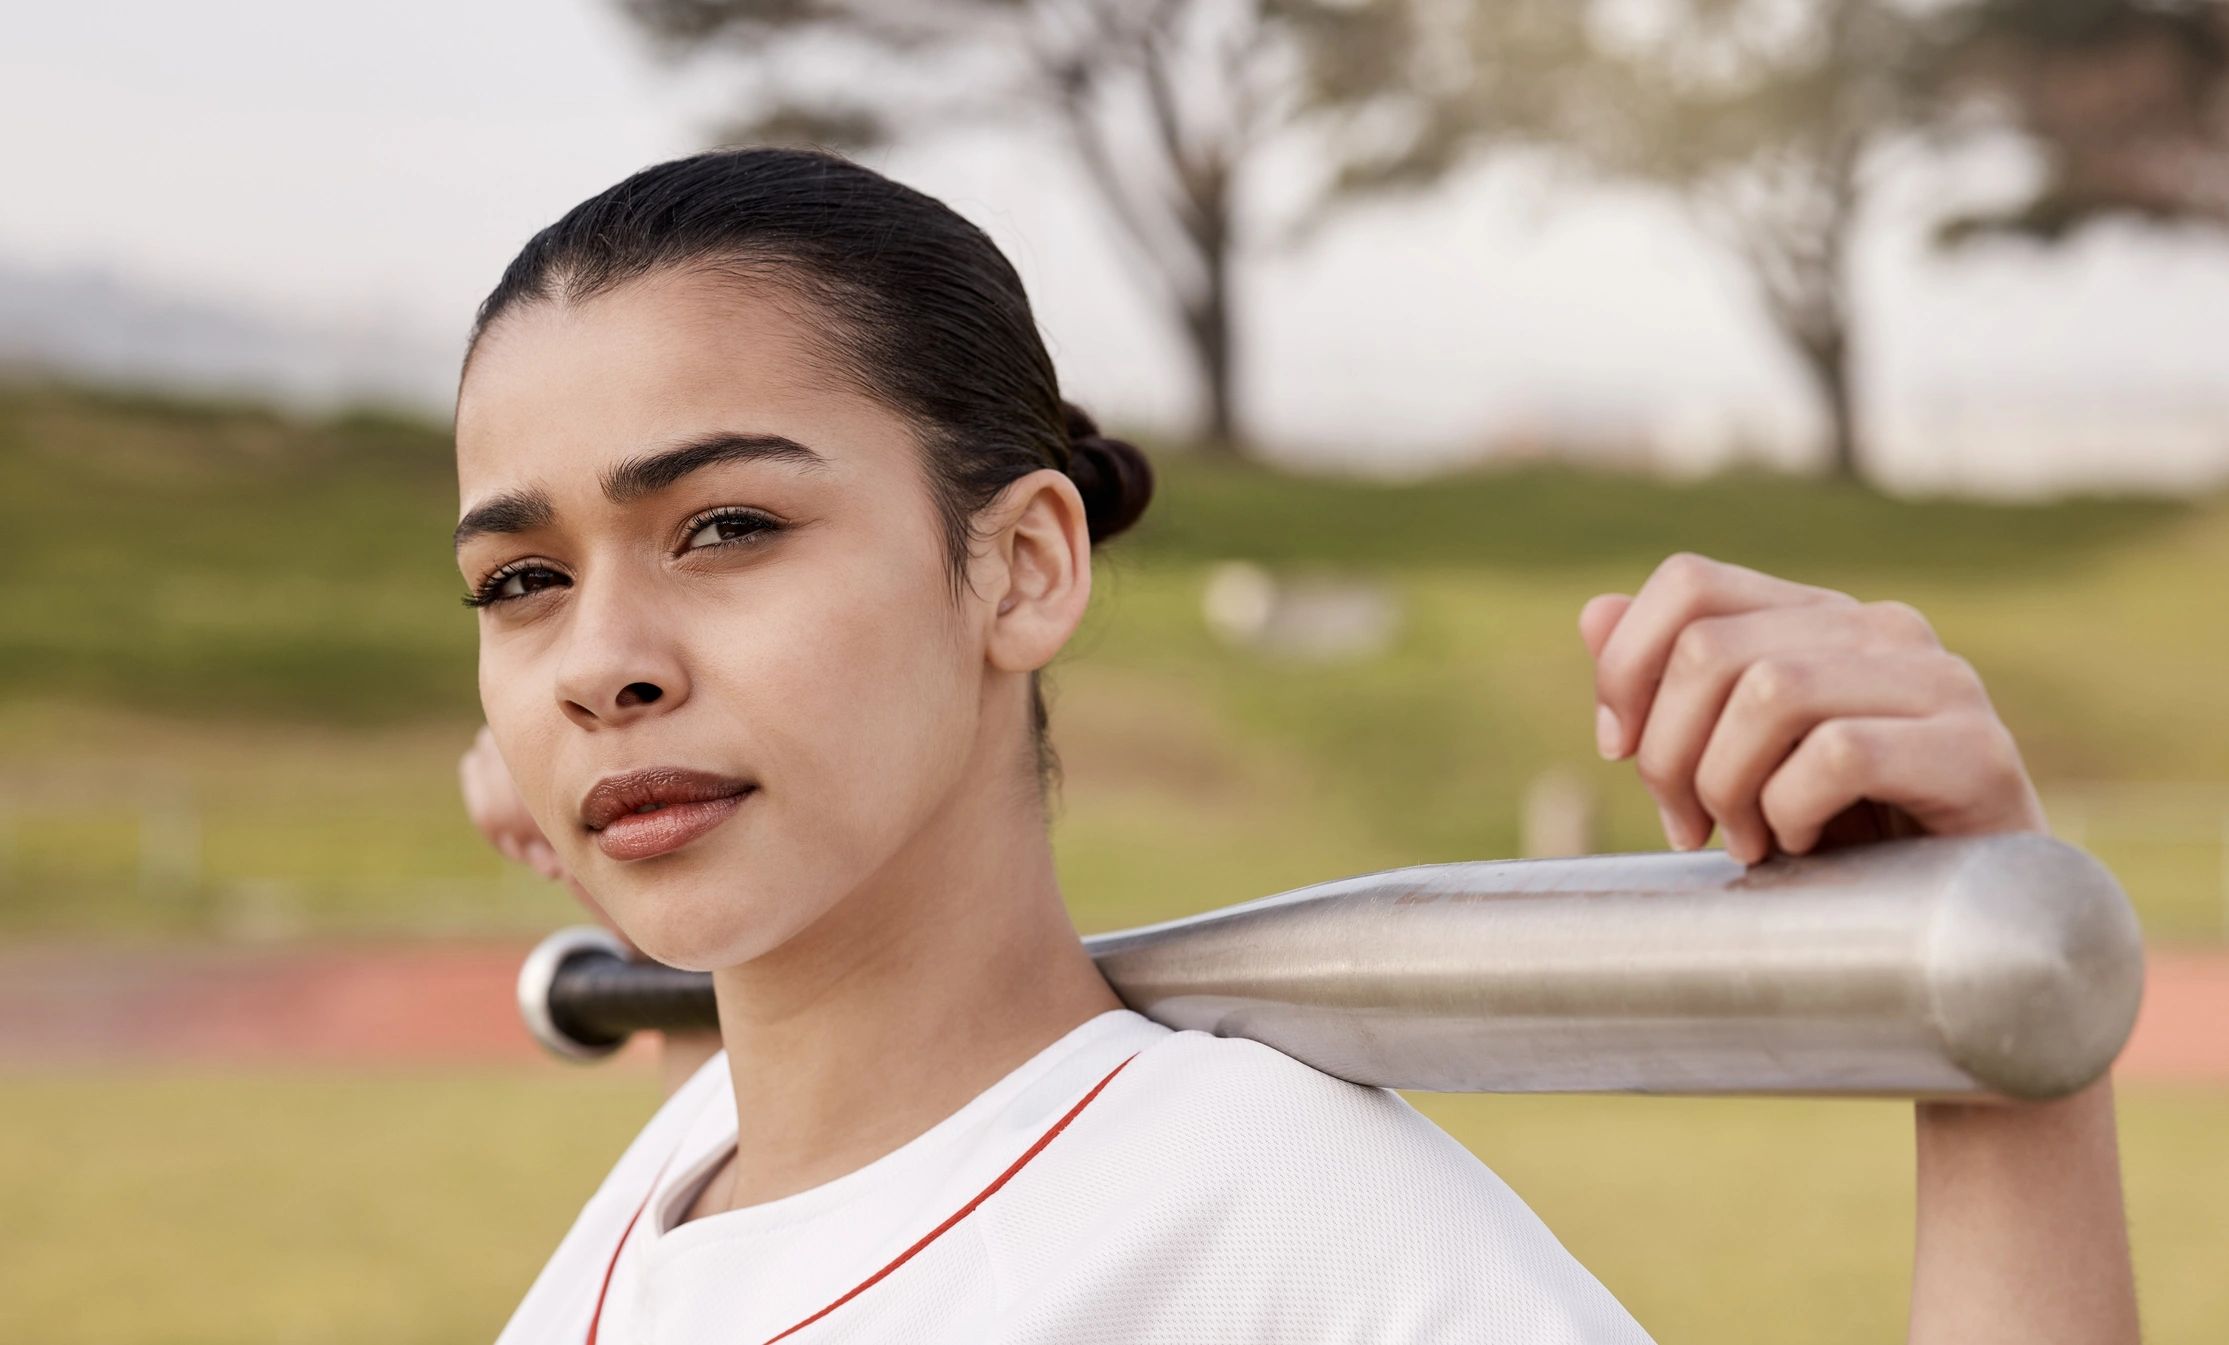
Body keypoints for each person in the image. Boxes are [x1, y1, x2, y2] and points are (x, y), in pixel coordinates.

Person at [451, 146, 2137, 1343]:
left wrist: (1988, 1017)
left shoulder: (1286, 1229)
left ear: (1022, 564)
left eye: (728, 526)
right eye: (522, 580)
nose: (599, 661)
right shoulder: (695, 1164)